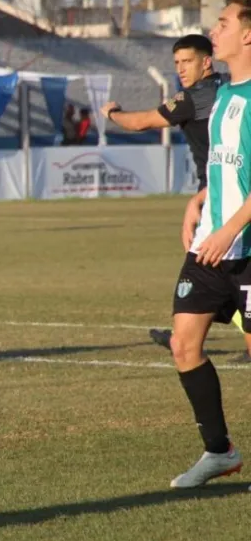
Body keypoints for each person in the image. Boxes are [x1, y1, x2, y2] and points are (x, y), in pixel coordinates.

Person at [99, 35, 251, 361]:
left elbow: (141, 122)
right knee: (221, 271)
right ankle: (194, 329)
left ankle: (198, 328)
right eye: (177, 63)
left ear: (206, 61)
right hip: (215, 194)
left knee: (219, 268)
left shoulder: (196, 97)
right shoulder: (226, 89)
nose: (181, 69)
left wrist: (113, 112)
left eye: (187, 61)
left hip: (223, 201)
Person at [161, 0, 251, 489]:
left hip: (244, 247)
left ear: (247, 34)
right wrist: (198, 204)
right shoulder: (222, 98)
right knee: (182, 343)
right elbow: (224, 167)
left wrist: (232, 227)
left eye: (222, 23)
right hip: (212, 247)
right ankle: (220, 452)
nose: (213, 31)